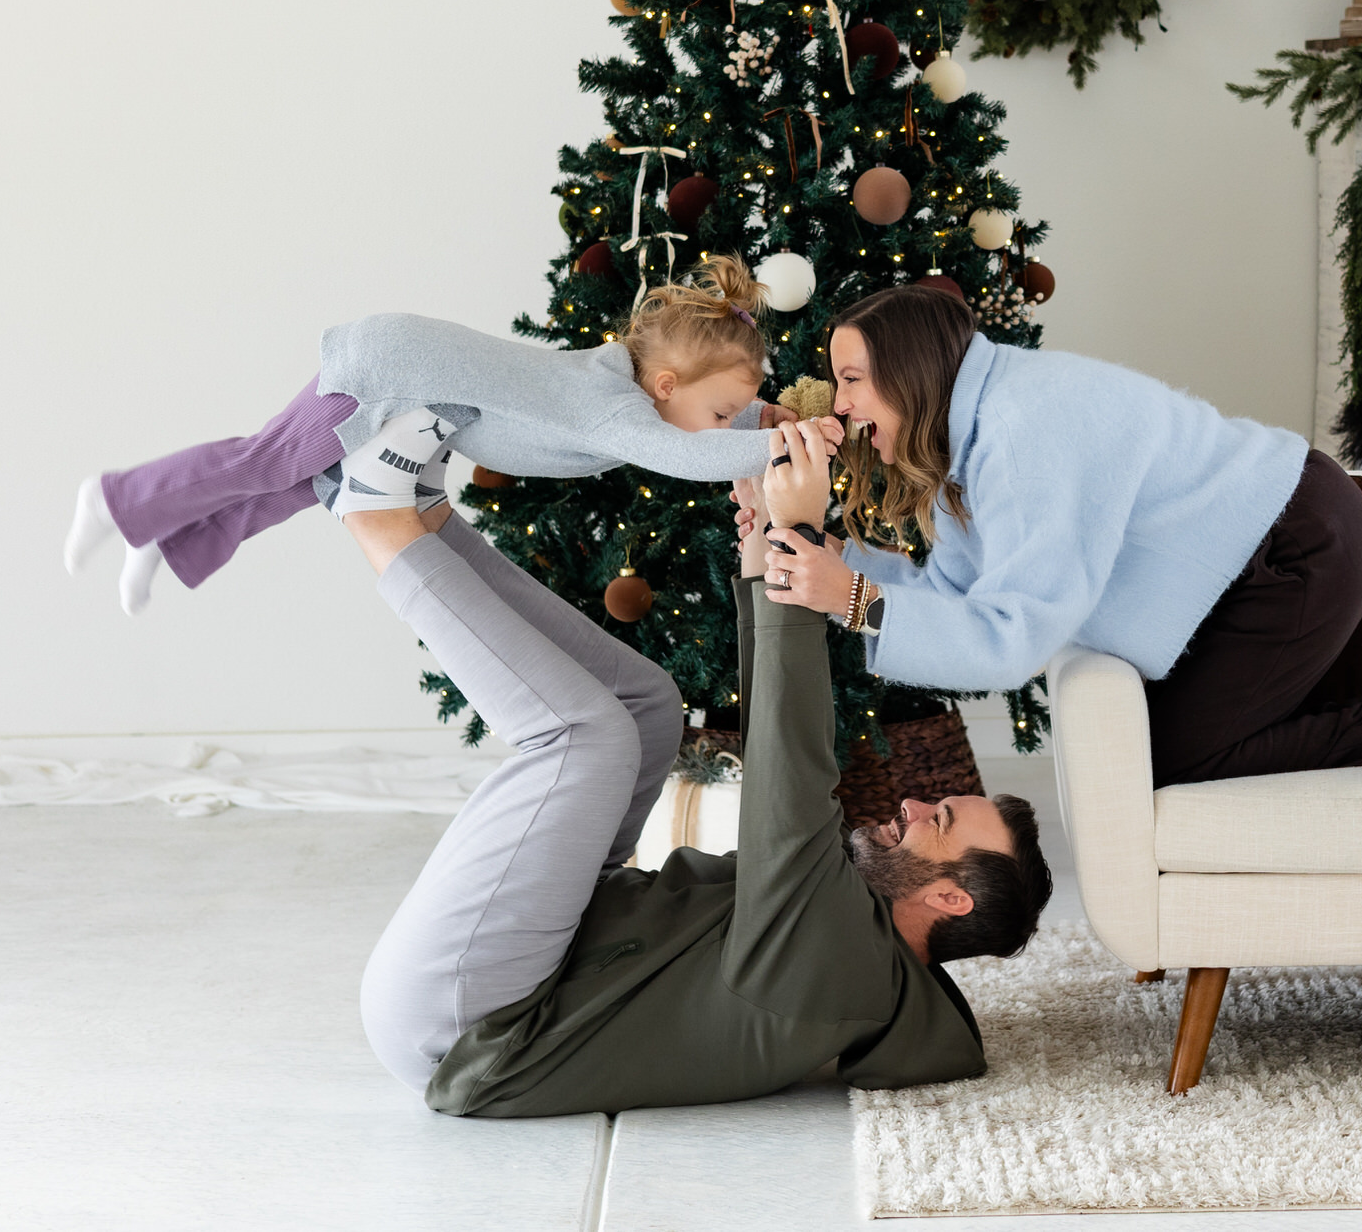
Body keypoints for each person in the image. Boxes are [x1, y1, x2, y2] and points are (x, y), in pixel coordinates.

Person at [343, 416, 1048, 1114]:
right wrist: (761, 550)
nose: (914, 805)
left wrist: (800, 534)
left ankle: (377, 519)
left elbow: (790, 774)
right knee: (647, 706)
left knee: (587, 737)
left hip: (468, 1025)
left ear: (952, 899)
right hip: (541, 965)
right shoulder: (856, 928)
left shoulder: (847, 971)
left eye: (943, 820)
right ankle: (425, 518)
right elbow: (777, 732)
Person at [757, 286, 1362, 786]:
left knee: (1162, 757)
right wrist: (831, 561)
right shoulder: (977, 434)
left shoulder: (1023, 428)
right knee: (1160, 742)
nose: (842, 403)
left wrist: (854, 598)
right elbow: (959, 594)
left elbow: (1009, 637)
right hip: (1264, 546)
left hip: (1296, 546)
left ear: (912, 374)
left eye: (853, 379)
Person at [62, 256, 787, 615]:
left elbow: (697, 427)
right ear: (666, 385)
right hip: (390, 372)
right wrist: (791, 446)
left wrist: (766, 420)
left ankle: (160, 531)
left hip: (428, 400)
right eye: (727, 412)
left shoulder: (628, 394)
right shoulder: (615, 409)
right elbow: (687, 452)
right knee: (267, 461)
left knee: (299, 486)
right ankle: (115, 497)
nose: (729, 424)